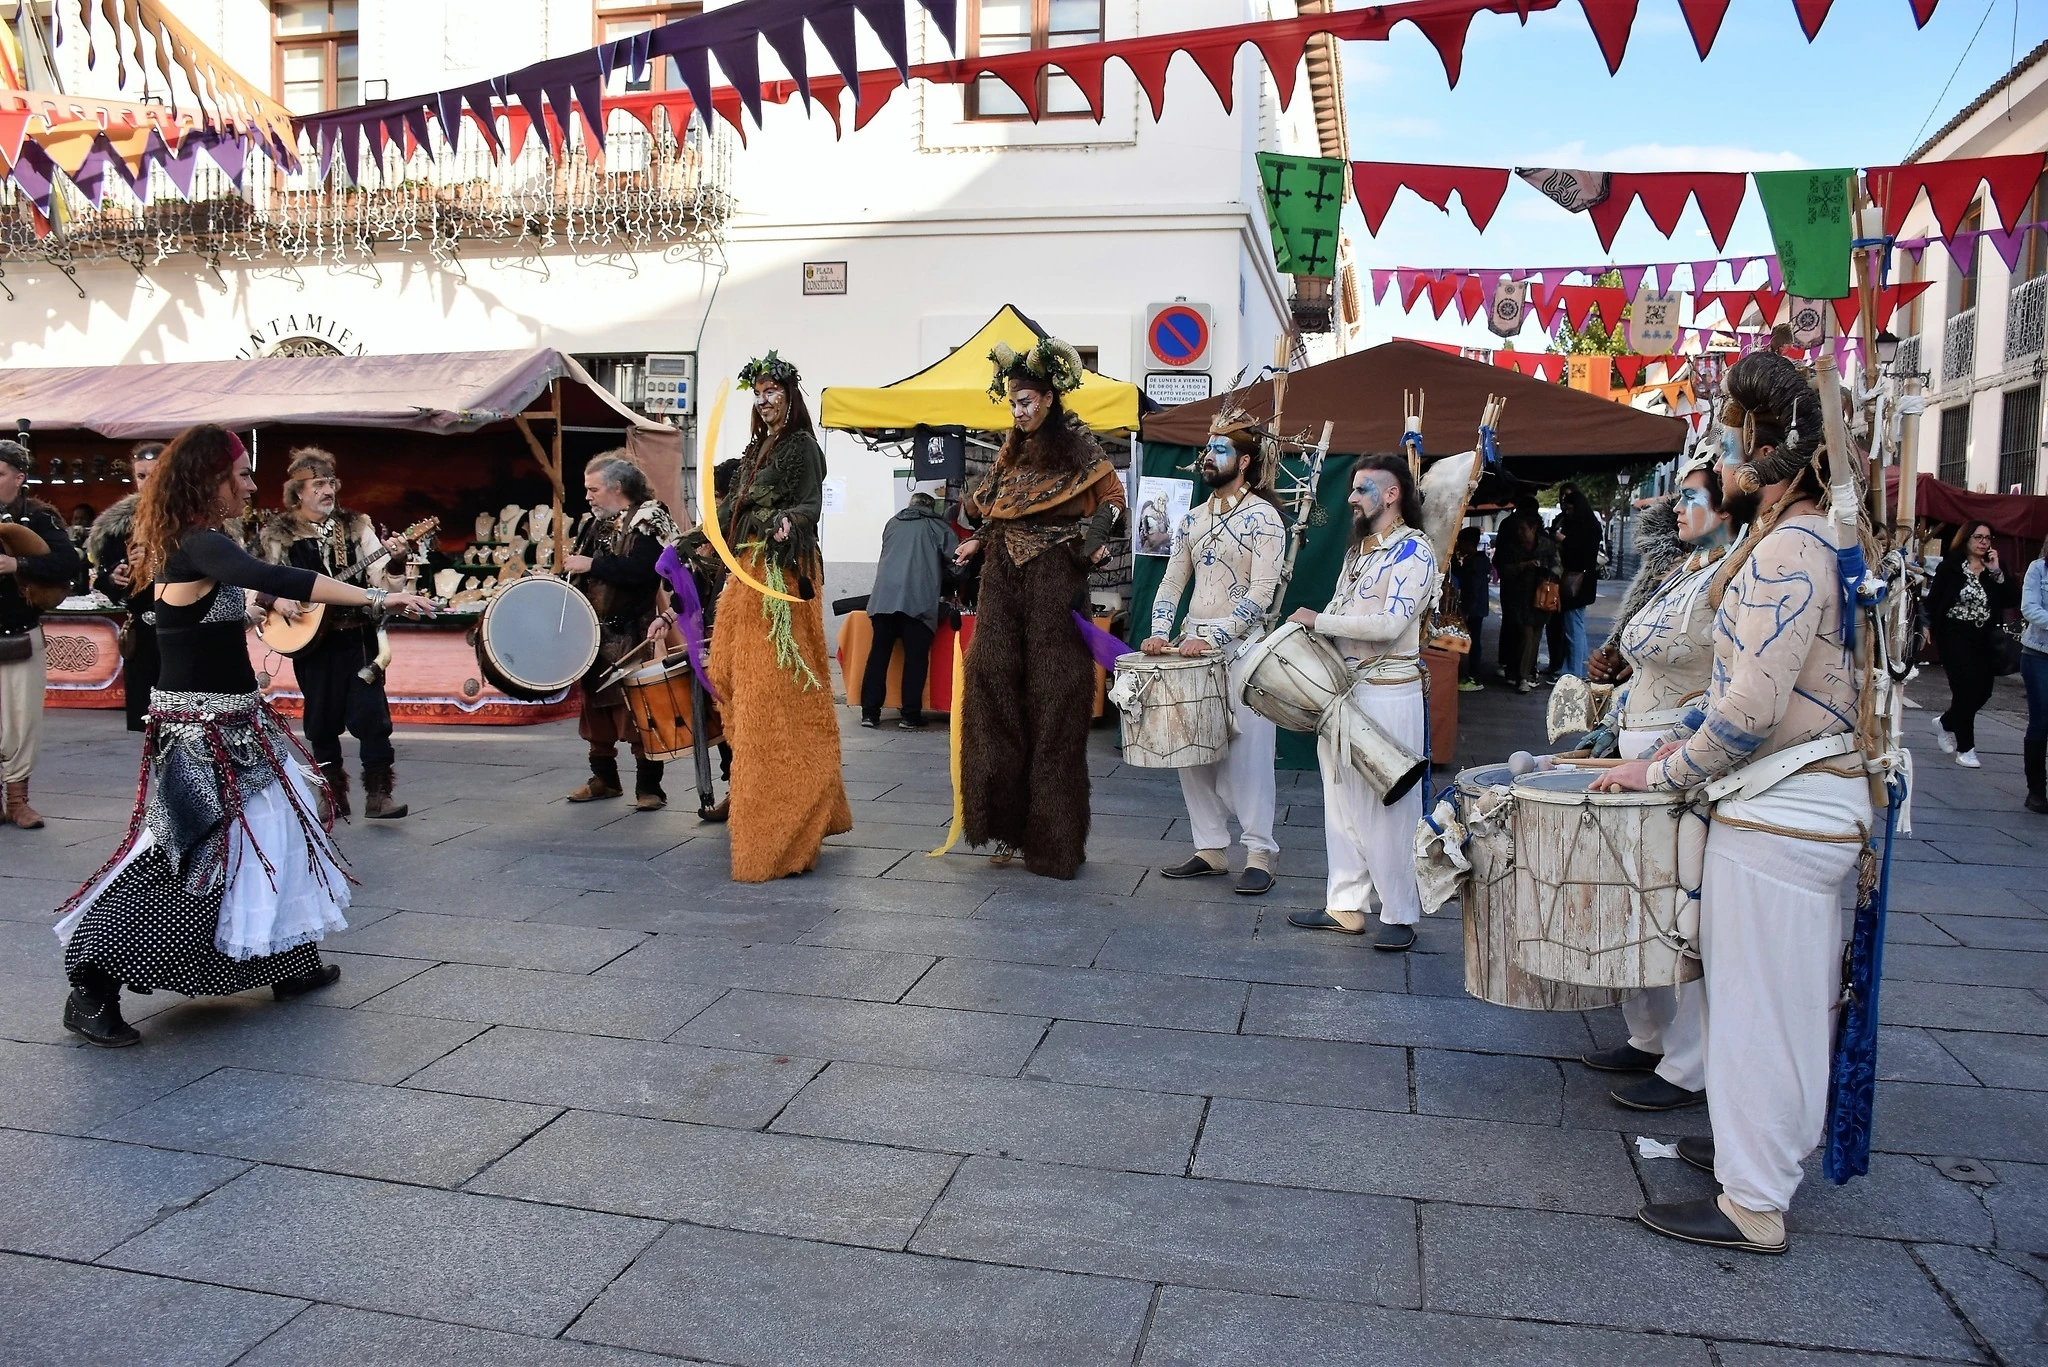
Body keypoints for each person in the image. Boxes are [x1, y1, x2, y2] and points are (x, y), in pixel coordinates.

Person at [1595, 351, 1872, 1255]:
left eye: (1731, 443)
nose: (1717, 465)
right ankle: (1758, 1152)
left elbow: (1751, 711)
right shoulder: (1818, 539)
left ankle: (1753, 1200)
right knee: (1782, 1002)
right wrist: (1678, 729)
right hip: (1808, 806)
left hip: (1782, 813)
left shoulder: (1790, 548)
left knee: (1760, 1009)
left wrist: (1664, 771)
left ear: (1770, 462)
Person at [53, 424, 435, 1046]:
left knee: (275, 835)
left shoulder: (202, 544)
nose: (253, 485)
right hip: (201, 734)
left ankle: (288, 962)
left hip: (234, 720)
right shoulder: (198, 542)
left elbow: (222, 602)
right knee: (185, 857)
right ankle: (90, 987)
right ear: (211, 480)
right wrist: (375, 597)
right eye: (243, 475)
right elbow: (284, 577)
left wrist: (257, 607)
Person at [1578, 448, 1735, 1114]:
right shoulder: (1682, 569)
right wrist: (1612, 718)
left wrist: (1684, 737)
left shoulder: (1736, 573)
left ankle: (1690, 1062)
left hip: (1685, 770)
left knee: (1681, 914)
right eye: (1680, 497)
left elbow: (1736, 680)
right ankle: (1650, 1033)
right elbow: (1642, 668)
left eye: (1694, 496)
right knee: (1636, 903)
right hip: (1635, 761)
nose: (1679, 506)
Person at [956, 337, 1126, 879]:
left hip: (1055, 578)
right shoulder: (1010, 451)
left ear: (1049, 398)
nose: (1019, 412)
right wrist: (979, 539)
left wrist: (1093, 536)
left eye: (1026, 401)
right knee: (992, 688)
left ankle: (1054, 843)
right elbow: (1001, 506)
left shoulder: (1080, 447)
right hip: (1003, 579)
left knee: (1054, 704)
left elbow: (1115, 501)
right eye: (1013, 403)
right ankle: (1007, 826)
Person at [688, 353, 851, 880]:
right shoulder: (756, 449)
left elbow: (809, 506)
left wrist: (786, 523)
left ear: (789, 396)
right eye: (756, 393)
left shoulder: (802, 447)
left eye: (771, 391)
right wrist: (697, 542)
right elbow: (732, 511)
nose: (763, 401)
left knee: (772, 697)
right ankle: (763, 801)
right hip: (745, 576)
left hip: (781, 576)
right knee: (732, 681)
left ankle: (784, 827)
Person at [1284, 456, 1436, 951]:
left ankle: (1399, 913)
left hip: (1390, 693)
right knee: (1341, 801)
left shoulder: (1415, 551)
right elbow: (1337, 609)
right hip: (1344, 692)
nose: (1351, 497)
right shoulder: (1358, 552)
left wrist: (1318, 623)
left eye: (1362, 488)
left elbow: (1390, 626)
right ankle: (1345, 904)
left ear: (1391, 494)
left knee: (1390, 804)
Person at [1142, 405, 1286, 895]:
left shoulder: (1265, 518)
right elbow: (1171, 581)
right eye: (1207, 448)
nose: (1207, 456)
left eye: (1219, 449)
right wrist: (1161, 631)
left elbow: (1262, 592)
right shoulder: (1192, 518)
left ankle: (1260, 853)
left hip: (1245, 651)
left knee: (1247, 755)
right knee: (1190, 749)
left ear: (1244, 461)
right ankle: (1209, 848)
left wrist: (1218, 635)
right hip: (1190, 649)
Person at [258, 450, 414, 820]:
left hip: (356, 637)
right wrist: (277, 599)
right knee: (320, 722)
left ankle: (379, 796)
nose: (328, 490)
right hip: (311, 643)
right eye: (318, 485)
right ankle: (332, 794)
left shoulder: (356, 525)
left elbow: (380, 579)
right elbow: (260, 579)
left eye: (331, 483)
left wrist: (395, 560)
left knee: (373, 718)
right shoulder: (279, 534)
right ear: (298, 492)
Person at [562, 455, 675, 810]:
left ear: (616, 487)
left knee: (640, 713)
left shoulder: (649, 520)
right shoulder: (593, 525)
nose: (589, 496)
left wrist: (592, 563)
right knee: (595, 712)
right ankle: (605, 779)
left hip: (633, 632)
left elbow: (644, 570)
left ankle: (649, 788)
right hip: (594, 635)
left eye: (593, 489)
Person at [0, 438, 82, 830]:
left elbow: (68, 563)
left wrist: (16, 563)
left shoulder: (40, 518)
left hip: (19, 633)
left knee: (22, 720)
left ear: (18, 478)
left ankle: (18, 801)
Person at [861, 488, 957, 731]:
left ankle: (870, 714)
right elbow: (957, 563)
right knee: (915, 659)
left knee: (878, 657)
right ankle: (909, 716)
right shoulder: (938, 527)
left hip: (884, 600)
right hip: (917, 601)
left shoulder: (892, 523)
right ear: (931, 508)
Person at [1927, 520, 2017, 770]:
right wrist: (1925, 626)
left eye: (1987, 538)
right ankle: (1966, 749)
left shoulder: (1993, 569)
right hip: (1954, 634)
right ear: (1966, 539)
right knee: (1965, 689)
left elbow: (2011, 599)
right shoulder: (1951, 566)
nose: (1982, 543)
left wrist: (1997, 572)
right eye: (1977, 537)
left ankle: (1946, 722)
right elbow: (1934, 601)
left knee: (1983, 691)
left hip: (1985, 637)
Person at [88, 442, 164, 732]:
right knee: (150, 728)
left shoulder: (197, 518)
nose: (147, 483)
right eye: (141, 476)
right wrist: (117, 576)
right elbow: (107, 584)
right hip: (143, 638)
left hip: (186, 635)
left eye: (155, 475)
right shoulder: (117, 526)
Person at [1552, 485, 1603, 678]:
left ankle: (1575, 670)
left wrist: (1563, 540)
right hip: (1585, 580)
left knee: (1574, 628)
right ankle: (1577, 668)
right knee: (1576, 626)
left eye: (1570, 507)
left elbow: (1577, 550)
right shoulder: (1592, 524)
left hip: (1576, 580)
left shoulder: (1582, 527)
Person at [2022, 535, 2048, 815]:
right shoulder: (2038, 569)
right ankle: (2036, 790)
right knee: (2041, 720)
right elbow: (2030, 608)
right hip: (2040, 653)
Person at [1450, 525, 1490, 691]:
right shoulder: (1475, 560)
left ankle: (1474, 677)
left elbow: (1471, 585)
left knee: (1474, 642)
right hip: (1476, 607)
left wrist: (1466, 609)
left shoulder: (1476, 563)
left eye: (1460, 542)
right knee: (1474, 640)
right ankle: (1472, 674)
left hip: (1474, 608)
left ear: (1468, 543)